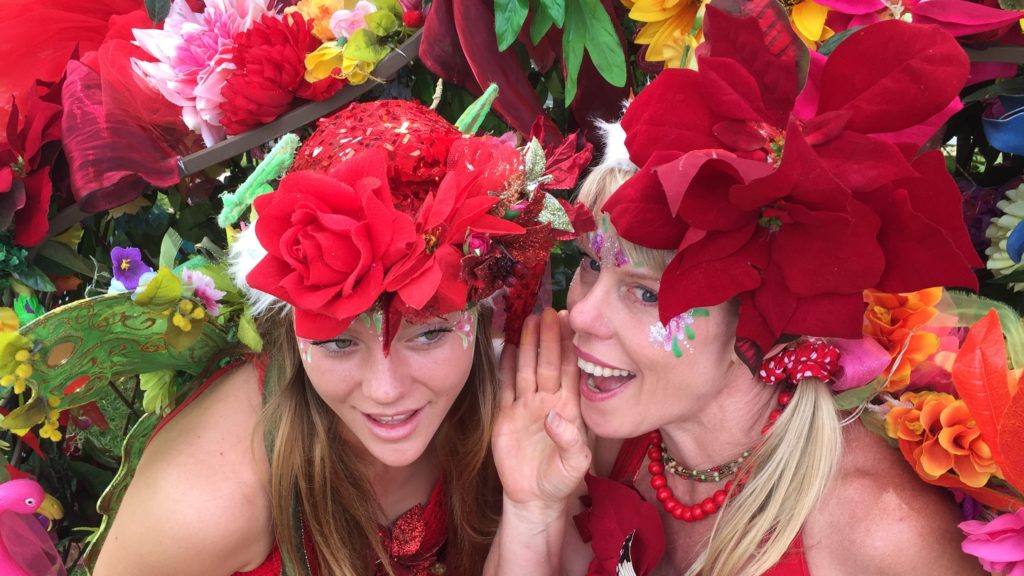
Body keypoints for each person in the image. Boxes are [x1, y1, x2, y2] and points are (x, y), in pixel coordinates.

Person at [490, 4, 1004, 575]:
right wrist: (532, 510)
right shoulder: (594, 442)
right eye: (589, 264)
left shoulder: (881, 530)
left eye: (643, 292)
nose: (580, 314)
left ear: (767, 319)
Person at [93, 98, 588, 576]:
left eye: (431, 334)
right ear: (291, 327)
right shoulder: (204, 503)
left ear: (482, 316)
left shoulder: (520, 424)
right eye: (339, 342)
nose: (386, 391)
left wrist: (532, 512)